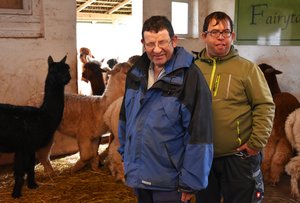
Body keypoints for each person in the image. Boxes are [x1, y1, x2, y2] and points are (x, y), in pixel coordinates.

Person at [118, 15, 213, 203]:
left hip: (171, 181)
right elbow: (125, 119)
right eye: (150, 44)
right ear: (143, 43)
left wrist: (191, 181)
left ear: (174, 40)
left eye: (162, 42)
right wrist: (126, 156)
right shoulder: (135, 74)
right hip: (139, 175)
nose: (157, 49)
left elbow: (200, 134)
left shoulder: (190, 77)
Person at [194, 11, 275, 203]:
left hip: (238, 157)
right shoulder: (193, 69)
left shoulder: (247, 69)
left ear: (233, 36)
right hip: (202, 156)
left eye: (226, 32)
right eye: (214, 32)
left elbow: (265, 105)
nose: (221, 37)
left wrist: (256, 143)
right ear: (204, 36)